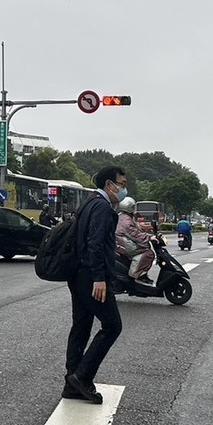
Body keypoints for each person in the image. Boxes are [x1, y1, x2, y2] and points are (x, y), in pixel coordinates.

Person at [64, 165, 126, 405]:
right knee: (112, 326)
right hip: (91, 277)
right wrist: (99, 278)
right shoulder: (101, 207)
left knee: (81, 327)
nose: (123, 188)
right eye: (121, 184)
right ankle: (82, 376)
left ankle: (71, 382)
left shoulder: (89, 203)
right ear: (109, 185)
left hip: (78, 275)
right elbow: (95, 243)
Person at [115, 197, 155, 284]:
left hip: (120, 244)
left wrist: (145, 230)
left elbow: (136, 229)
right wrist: (149, 237)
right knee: (148, 253)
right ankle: (137, 274)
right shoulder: (126, 221)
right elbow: (134, 234)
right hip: (125, 245)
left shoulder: (122, 216)